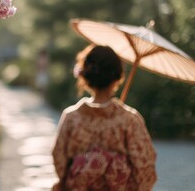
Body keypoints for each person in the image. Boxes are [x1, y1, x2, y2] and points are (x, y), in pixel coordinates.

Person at [51, 45, 157, 191]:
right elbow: (145, 169)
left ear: (85, 76)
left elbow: (59, 160)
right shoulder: (130, 120)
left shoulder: (71, 117)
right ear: (118, 77)